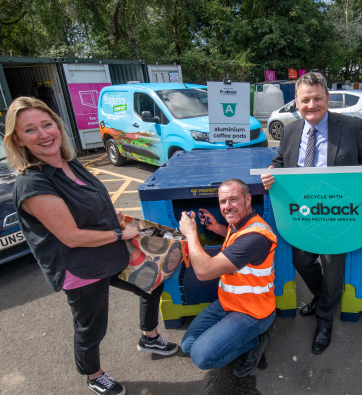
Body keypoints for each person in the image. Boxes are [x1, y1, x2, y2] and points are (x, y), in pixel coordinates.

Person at [5, 97, 178, 395]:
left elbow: (96, 203)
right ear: (18, 139)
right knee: (91, 327)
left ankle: (149, 337)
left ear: (58, 126)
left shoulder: (69, 163)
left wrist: (121, 223)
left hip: (109, 252)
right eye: (30, 130)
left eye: (47, 124)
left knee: (151, 283)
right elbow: (71, 236)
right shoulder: (33, 184)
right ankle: (94, 375)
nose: (44, 134)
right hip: (81, 267)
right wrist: (119, 234)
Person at [260, 72, 362, 354]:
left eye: (317, 98)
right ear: (296, 102)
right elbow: (279, 162)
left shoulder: (351, 126)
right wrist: (271, 174)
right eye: (305, 100)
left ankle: (324, 321)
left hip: (338, 212)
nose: (311, 105)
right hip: (303, 213)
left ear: (327, 99)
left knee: (333, 267)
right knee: (302, 260)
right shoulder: (290, 130)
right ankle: (324, 298)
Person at [179, 178, 277, 377]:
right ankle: (239, 337)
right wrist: (217, 228)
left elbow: (204, 271)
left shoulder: (256, 236)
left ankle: (255, 341)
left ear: (248, 199)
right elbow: (237, 243)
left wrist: (191, 233)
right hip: (227, 303)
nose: (227, 207)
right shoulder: (239, 224)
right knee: (188, 346)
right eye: (223, 202)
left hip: (252, 312)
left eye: (233, 200)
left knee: (202, 358)